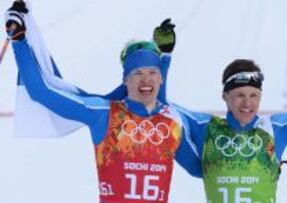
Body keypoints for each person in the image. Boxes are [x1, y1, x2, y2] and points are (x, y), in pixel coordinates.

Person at [5, 1, 201, 203]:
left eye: (153, 72)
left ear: (160, 77)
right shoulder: (104, 113)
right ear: (125, 79)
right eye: (138, 73)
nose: (146, 79)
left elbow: (201, 170)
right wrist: (19, 40)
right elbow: (41, 92)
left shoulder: (172, 124)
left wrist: (165, 56)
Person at [174, 16, 287, 202]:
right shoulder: (207, 128)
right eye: (240, 95)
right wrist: (160, 59)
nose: (247, 104)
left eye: (254, 96)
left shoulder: (274, 129)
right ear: (225, 97)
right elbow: (164, 109)